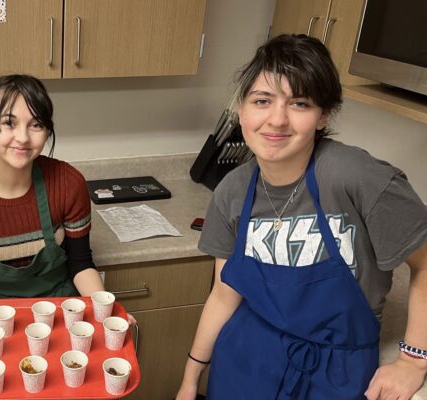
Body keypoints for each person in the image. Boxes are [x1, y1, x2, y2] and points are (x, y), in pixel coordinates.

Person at [176, 34, 427, 399]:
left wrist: (414, 360)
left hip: (336, 371)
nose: (276, 120)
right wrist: (190, 378)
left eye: (299, 103)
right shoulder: (233, 190)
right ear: (242, 110)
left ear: (323, 115)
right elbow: (224, 293)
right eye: (262, 101)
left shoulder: (354, 177)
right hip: (244, 360)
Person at [0, 74, 106, 302]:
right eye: (9, 122)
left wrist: (107, 310)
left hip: (60, 308)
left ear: (47, 132)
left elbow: (81, 264)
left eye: (36, 124)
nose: (23, 137)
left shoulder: (68, 184)